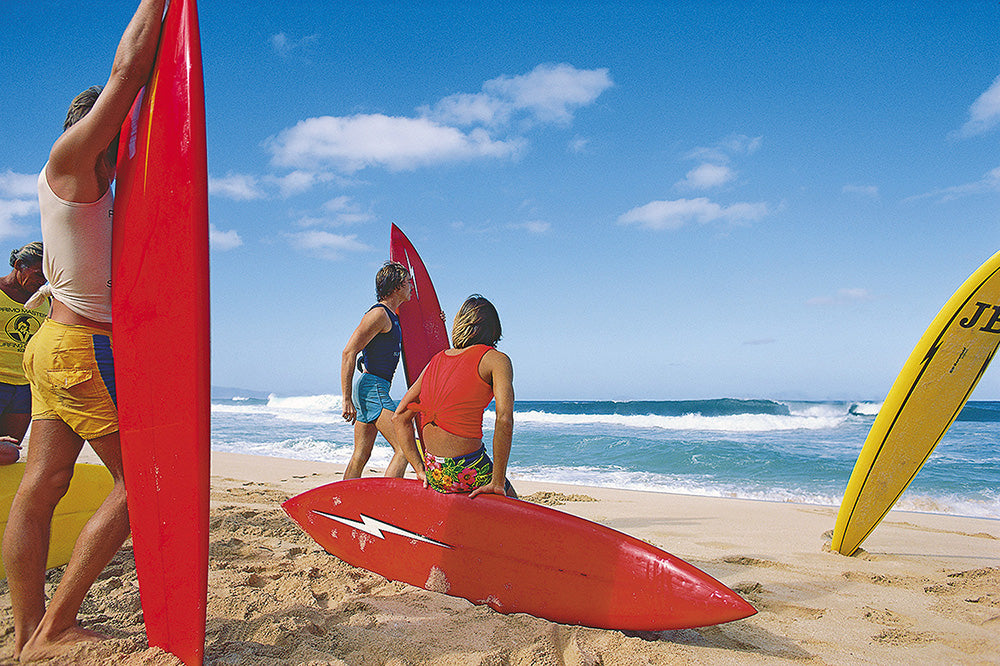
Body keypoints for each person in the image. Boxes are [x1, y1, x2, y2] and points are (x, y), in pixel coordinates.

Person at [0, 1, 167, 660]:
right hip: (78, 350)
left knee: (42, 487)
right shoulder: (72, 157)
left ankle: (26, 637)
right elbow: (128, 69)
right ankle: (56, 625)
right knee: (139, 486)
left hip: (56, 347)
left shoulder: (92, 185)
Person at [391, 295, 516, 498]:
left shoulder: (436, 360)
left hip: (435, 473)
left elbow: (399, 416)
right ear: (494, 329)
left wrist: (419, 469)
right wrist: (497, 481)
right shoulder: (496, 360)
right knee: (516, 510)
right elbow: (504, 419)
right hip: (468, 470)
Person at [340, 261, 413, 479]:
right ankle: (387, 505)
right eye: (408, 282)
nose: (411, 287)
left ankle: (344, 501)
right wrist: (345, 399)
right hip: (373, 388)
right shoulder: (379, 315)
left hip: (372, 387)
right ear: (397, 286)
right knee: (405, 449)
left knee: (361, 454)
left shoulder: (394, 316)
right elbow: (348, 353)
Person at [0, 242, 49, 464]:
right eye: (38, 274)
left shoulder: (45, 300)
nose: (43, 281)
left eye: (47, 276)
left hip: (23, 389)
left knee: (9, 453)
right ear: (19, 265)